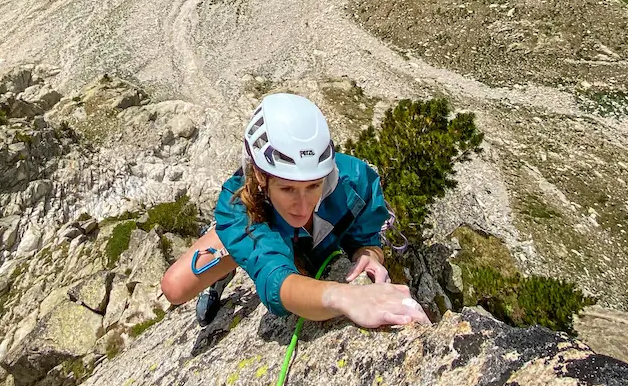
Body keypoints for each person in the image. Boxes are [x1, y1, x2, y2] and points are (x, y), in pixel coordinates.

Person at [160, 92, 429, 329]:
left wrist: (367, 254)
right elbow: (278, 281)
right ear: (260, 176)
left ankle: (246, 248)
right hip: (259, 218)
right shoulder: (237, 207)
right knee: (175, 287)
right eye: (287, 189)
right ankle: (235, 254)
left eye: (313, 186)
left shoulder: (357, 181)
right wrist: (345, 297)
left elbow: (366, 238)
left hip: (304, 238)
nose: (303, 206)